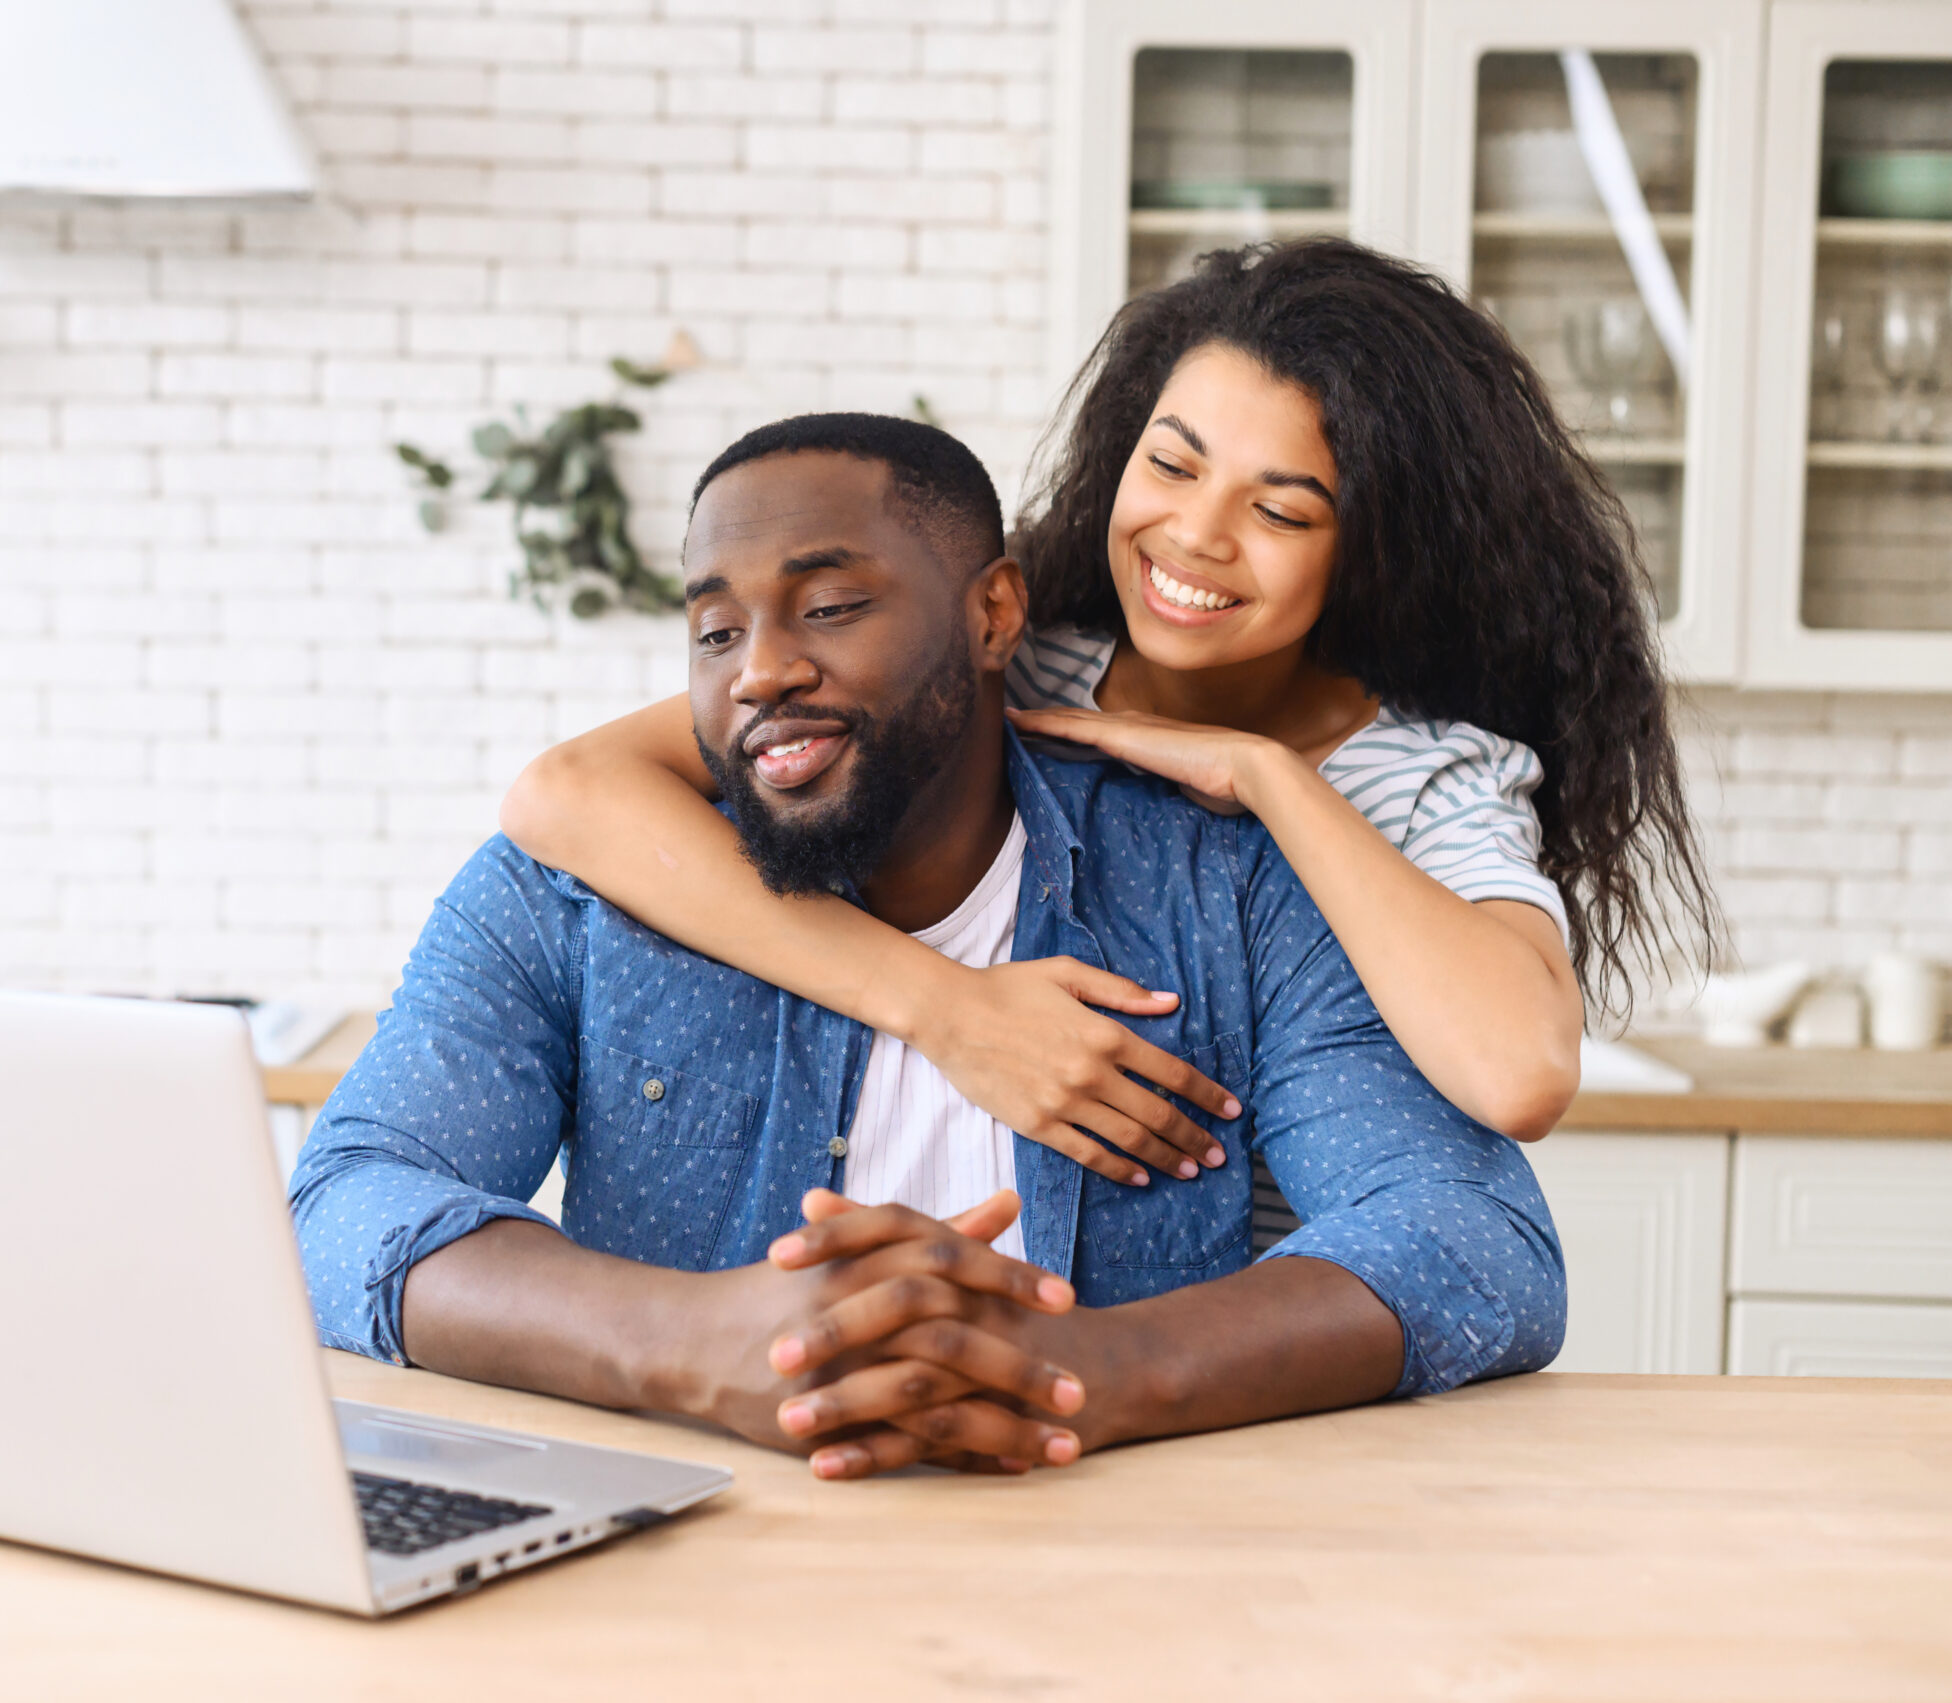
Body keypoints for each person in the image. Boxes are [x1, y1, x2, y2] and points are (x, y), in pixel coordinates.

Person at [290, 415, 1564, 1481]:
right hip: (682, 1577)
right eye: (716, 631)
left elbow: (1472, 1239)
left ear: (996, 611)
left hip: (1115, 1582)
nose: (761, 673)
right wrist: (689, 1339)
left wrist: (1087, 1367)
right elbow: (345, 1203)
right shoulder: (573, 894)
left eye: (832, 605)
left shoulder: (1220, 885)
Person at [498, 240, 1719, 1224]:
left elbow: (1520, 1073)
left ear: (1375, 548)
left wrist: (1270, 778)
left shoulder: (1426, 772)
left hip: (1268, 1336)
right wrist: (945, 1008)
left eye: (1279, 510)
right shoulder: (1019, 650)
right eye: (1171, 465)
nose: (1192, 536)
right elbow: (566, 792)